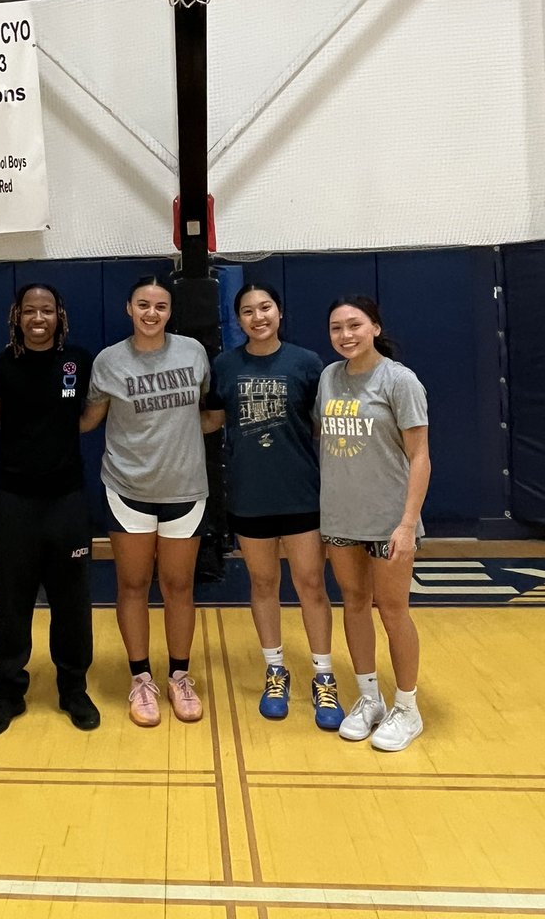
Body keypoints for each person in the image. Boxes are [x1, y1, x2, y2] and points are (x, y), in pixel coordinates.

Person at [204, 283, 344, 730]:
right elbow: (211, 419)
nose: (257, 317)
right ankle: (275, 670)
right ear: (238, 319)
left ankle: (324, 677)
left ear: (279, 313)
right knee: (264, 584)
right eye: (247, 311)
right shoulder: (225, 366)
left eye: (265, 308)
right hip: (249, 496)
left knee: (310, 586)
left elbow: (324, 426)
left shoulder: (307, 363)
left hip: (301, 493)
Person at [0, 283, 99, 737]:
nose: (37, 317)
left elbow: (90, 414)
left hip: (67, 500)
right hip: (15, 502)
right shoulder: (1, 365)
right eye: (29, 310)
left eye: (46, 310)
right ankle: (8, 693)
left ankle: (73, 689)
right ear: (16, 316)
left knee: (72, 603)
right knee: (12, 602)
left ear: (59, 316)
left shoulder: (78, 361)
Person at [80, 275, 210, 727]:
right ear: (129, 309)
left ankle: (179, 675)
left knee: (178, 587)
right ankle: (140, 678)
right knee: (133, 585)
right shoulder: (109, 361)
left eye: (160, 306)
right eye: (143, 305)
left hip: (185, 488)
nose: (151, 313)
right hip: (127, 489)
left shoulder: (193, 352)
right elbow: (90, 419)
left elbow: (208, 413)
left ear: (169, 312)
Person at [317, 295, 430, 752]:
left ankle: (408, 706)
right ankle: (369, 698)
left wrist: (406, 524)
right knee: (355, 603)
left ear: (375, 328)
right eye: (336, 328)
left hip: (388, 521)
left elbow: (420, 457)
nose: (345, 335)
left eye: (354, 325)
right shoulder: (328, 377)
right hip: (341, 516)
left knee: (393, 609)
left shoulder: (400, 381)